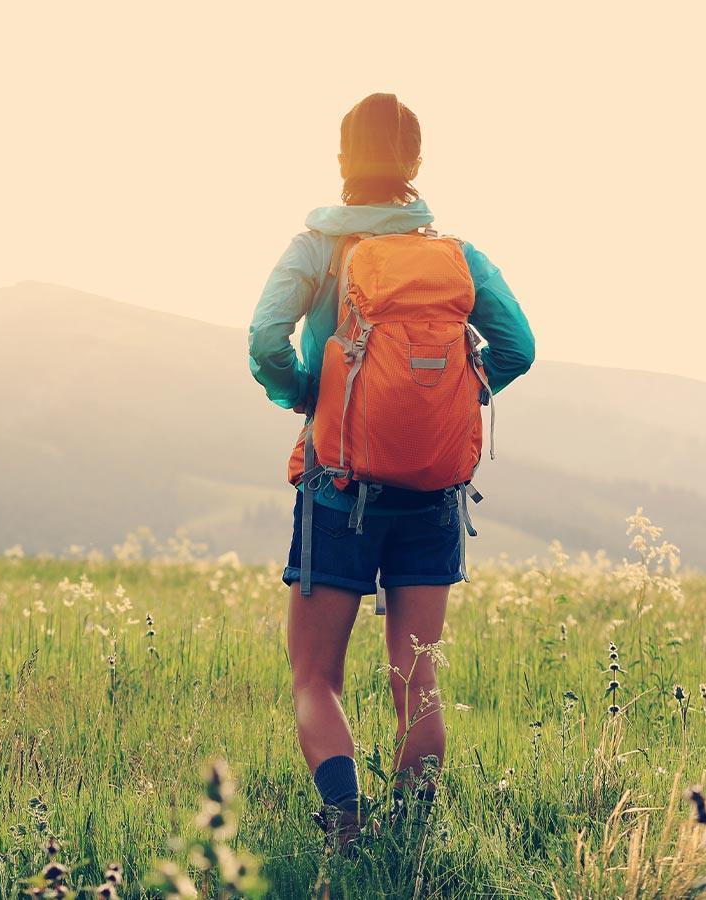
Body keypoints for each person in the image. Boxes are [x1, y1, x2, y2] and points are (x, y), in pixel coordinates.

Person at [246, 93, 535, 843]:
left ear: (343, 161)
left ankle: (346, 821)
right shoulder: (455, 256)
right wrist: (445, 401)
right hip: (434, 494)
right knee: (418, 680)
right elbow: (519, 348)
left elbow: (264, 338)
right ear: (415, 165)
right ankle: (412, 839)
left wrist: (314, 398)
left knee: (316, 677)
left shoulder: (317, 247)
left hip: (338, 488)